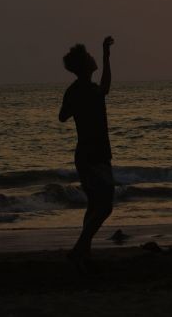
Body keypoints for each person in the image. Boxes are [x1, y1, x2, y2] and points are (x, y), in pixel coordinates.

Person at [59, 36, 115, 272]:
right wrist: (106, 55)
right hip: (95, 155)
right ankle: (79, 248)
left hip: (87, 154)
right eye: (91, 57)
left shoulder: (74, 90)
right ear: (85, 65)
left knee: (93, 205)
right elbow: (106, 88)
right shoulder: (88, 89)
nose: (94, 59)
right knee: (105, 207)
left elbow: (63, 116)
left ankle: (86, 253)